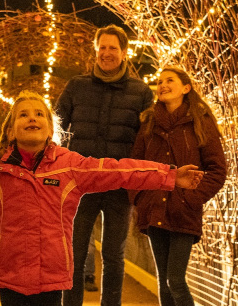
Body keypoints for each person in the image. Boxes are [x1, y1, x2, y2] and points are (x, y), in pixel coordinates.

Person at [0, 90, 205, 306]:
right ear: (12, 129)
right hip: (10, 274)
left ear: (49, 128)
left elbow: (121, 170)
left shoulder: (70, 167)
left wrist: (171, 176)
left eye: (39, 114)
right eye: (24, 114)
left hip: (53, 275)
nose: (32, 118)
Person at [55, 24, 154, 306]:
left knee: (113, 253)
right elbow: (56, 128)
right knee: (73, 250)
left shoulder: (142, 92)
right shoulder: (77, 86)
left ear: (124, 53)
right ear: (95, 51)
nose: (106, 53)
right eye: (102, 48)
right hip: (81, 184)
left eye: (113, 48)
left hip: (119, 187)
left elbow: (148, 140)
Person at [129, 67, 227, 306]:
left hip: (184, 211)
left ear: (186, 88)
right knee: (164, 282)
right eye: (160, 81)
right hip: (153, 209)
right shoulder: (149, 123)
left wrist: (191, 199)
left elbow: (217, 170)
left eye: (169, 80)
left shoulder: (200, 122)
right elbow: (136, 166)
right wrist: (140, 198)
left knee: (175, 280)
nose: (162, 85)